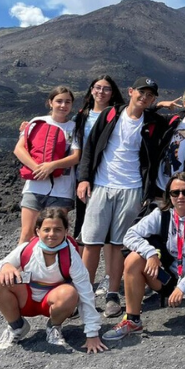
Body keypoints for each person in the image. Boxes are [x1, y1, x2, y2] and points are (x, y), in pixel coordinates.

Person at [76, 76, 169, 318]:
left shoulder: (152, 123)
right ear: (130, 91)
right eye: (141, 92)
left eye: (150, 95)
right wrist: (84, 178)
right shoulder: (111, 114)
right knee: (91, 242)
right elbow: (90, 146)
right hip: (101, 185)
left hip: (132, 189)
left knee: (119, 244)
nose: (144, 97)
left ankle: (112, 295)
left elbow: (174, 131)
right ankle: (83, 296)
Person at [103, 172, 185, 339]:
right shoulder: (162, 214)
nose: (180, 197)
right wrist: (150, 253)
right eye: (175, 193)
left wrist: (184, 285)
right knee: (133, 259)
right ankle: (132, 320)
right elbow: (129, 236)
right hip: (168, 279)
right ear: (169, 195)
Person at [0, 207, 107, 353]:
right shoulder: (27, 249)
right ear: (38, 231)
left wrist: (92, 334)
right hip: (26, 300)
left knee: (70, 293)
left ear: (66, 231)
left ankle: (54, 326)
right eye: (46, 230)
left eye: (57, 229)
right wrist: (5, 266)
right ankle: (16, 326)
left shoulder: (71, 256)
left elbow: (86, 292)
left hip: (53, 303)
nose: (51, 234)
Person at [71, 75, 126, 296]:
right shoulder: (81, 117)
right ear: (91, 90)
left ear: (113, 93)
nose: (101, 92)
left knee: (109, 231)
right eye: (98, 88)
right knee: (84, 228)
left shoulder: (118, 114)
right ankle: (81, 279)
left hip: (109, 178)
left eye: (106, 89)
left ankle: (108, 278)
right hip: (85, 178)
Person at [13, 86, 82, 244]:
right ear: (50, 102)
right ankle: (22, 261)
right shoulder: (36, 122)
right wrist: (38, 168)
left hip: (62, 190)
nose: (63, 105)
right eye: (59, 101)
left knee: (55, 237)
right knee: (27, 234)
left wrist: (52, 166)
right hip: (34, 187)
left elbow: (76, 156)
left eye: (67, 102)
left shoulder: (75, 128)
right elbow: (19, 149)